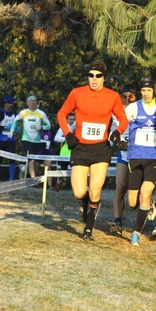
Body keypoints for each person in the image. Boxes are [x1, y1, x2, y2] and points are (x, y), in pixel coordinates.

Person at [57, 60, 128, 241]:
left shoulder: (112, 96)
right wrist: (68, 134)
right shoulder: (77, 93)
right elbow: (61, 114)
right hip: (80, 147)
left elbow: (123, 119)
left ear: (104, 78)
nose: (94, 79)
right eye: (91, 75)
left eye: (98, 76)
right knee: (79, 192)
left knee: (95, 190)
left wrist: (117, 132)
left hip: (100, 149)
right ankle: (85, 202)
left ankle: (88, 229)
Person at [125, 76, 156, 246]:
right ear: (140, 91)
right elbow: (120, 124)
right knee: (132, 202)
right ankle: (148, 204)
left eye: (149, 90)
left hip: (154, 157)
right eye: (143, 91)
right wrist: (119, 139)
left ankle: (136, 234)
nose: (146, 94)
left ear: (154, 91)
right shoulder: (134, 107)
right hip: (135, 156)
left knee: (145, 193)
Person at [109, 84, 137, 237]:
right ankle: (117, 221)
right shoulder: (117, 111)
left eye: (130, 97)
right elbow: (114, 130)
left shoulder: (140, 109)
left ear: (136, 98)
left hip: (139, 154)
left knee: (134, 198)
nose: (127, 100)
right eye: (124, 96)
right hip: (123, 154)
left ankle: (147, 202)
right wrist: (110, 143)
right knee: (120, 187)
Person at [8, 94, 51, 178]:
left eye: (34, 101)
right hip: (26, 139)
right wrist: (12, 130)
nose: (33, 102)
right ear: (27, 103)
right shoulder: (23, 113)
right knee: (31, 160)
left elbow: (48, 125)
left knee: (36, 162)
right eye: (31, 101)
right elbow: (15, 121)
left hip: (37, 140)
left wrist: (41, 127)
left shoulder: (41, 113)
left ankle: (24, 169)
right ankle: (33, 179)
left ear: (36, 102)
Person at [0, 95, 20, 182]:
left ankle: (11, 179)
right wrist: (5, 128)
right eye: (9, 103)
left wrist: (17, 128)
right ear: (5, 104)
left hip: (11, 140)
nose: (11, 105)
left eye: (12, 103)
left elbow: (15, 124)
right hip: (1, 140)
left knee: (12, 159)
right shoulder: (1, 113)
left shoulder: (15, 113)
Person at [54, 112, 76, 191]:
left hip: (74, 154)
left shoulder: (77, 127)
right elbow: (56, 138)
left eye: (73, 119)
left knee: (75, 171)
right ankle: (57, 185)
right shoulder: (63, 128)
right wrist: (66, 139)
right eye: (70, 119)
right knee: (61, 171)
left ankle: (75, 188)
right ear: (66, 120)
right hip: (63, 154)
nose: (72, 121)